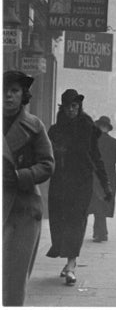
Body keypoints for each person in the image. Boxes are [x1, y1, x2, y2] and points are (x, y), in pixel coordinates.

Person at [46, 89, 112, 286]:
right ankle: (67, 259)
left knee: (76, 221)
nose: (71, 110)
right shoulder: (55, 131)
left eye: (75, 106)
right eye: (68, 106)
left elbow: (96, 157)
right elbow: (44, 156)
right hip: (59, 183)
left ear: (79, 106)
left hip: (81, 183)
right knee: (59, 222)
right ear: (63, 107)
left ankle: (71, 265)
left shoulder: (88, 128)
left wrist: (105, 184)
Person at [3, 70, 55, 306]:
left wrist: (20, 176)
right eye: (4, 91)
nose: (8, 96)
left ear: (23, 95)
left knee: (14, 276)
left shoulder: (34, 126)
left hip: (23, 209)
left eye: (14, 91)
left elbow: (47, 164)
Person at [88, 115, 116, 242]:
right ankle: (101, 232)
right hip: (109, 178)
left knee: (96, 203)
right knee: (103, 203)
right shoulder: (115, 143)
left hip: (94, 177)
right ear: (108, 129)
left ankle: (100, 232)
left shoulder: (91, 141)